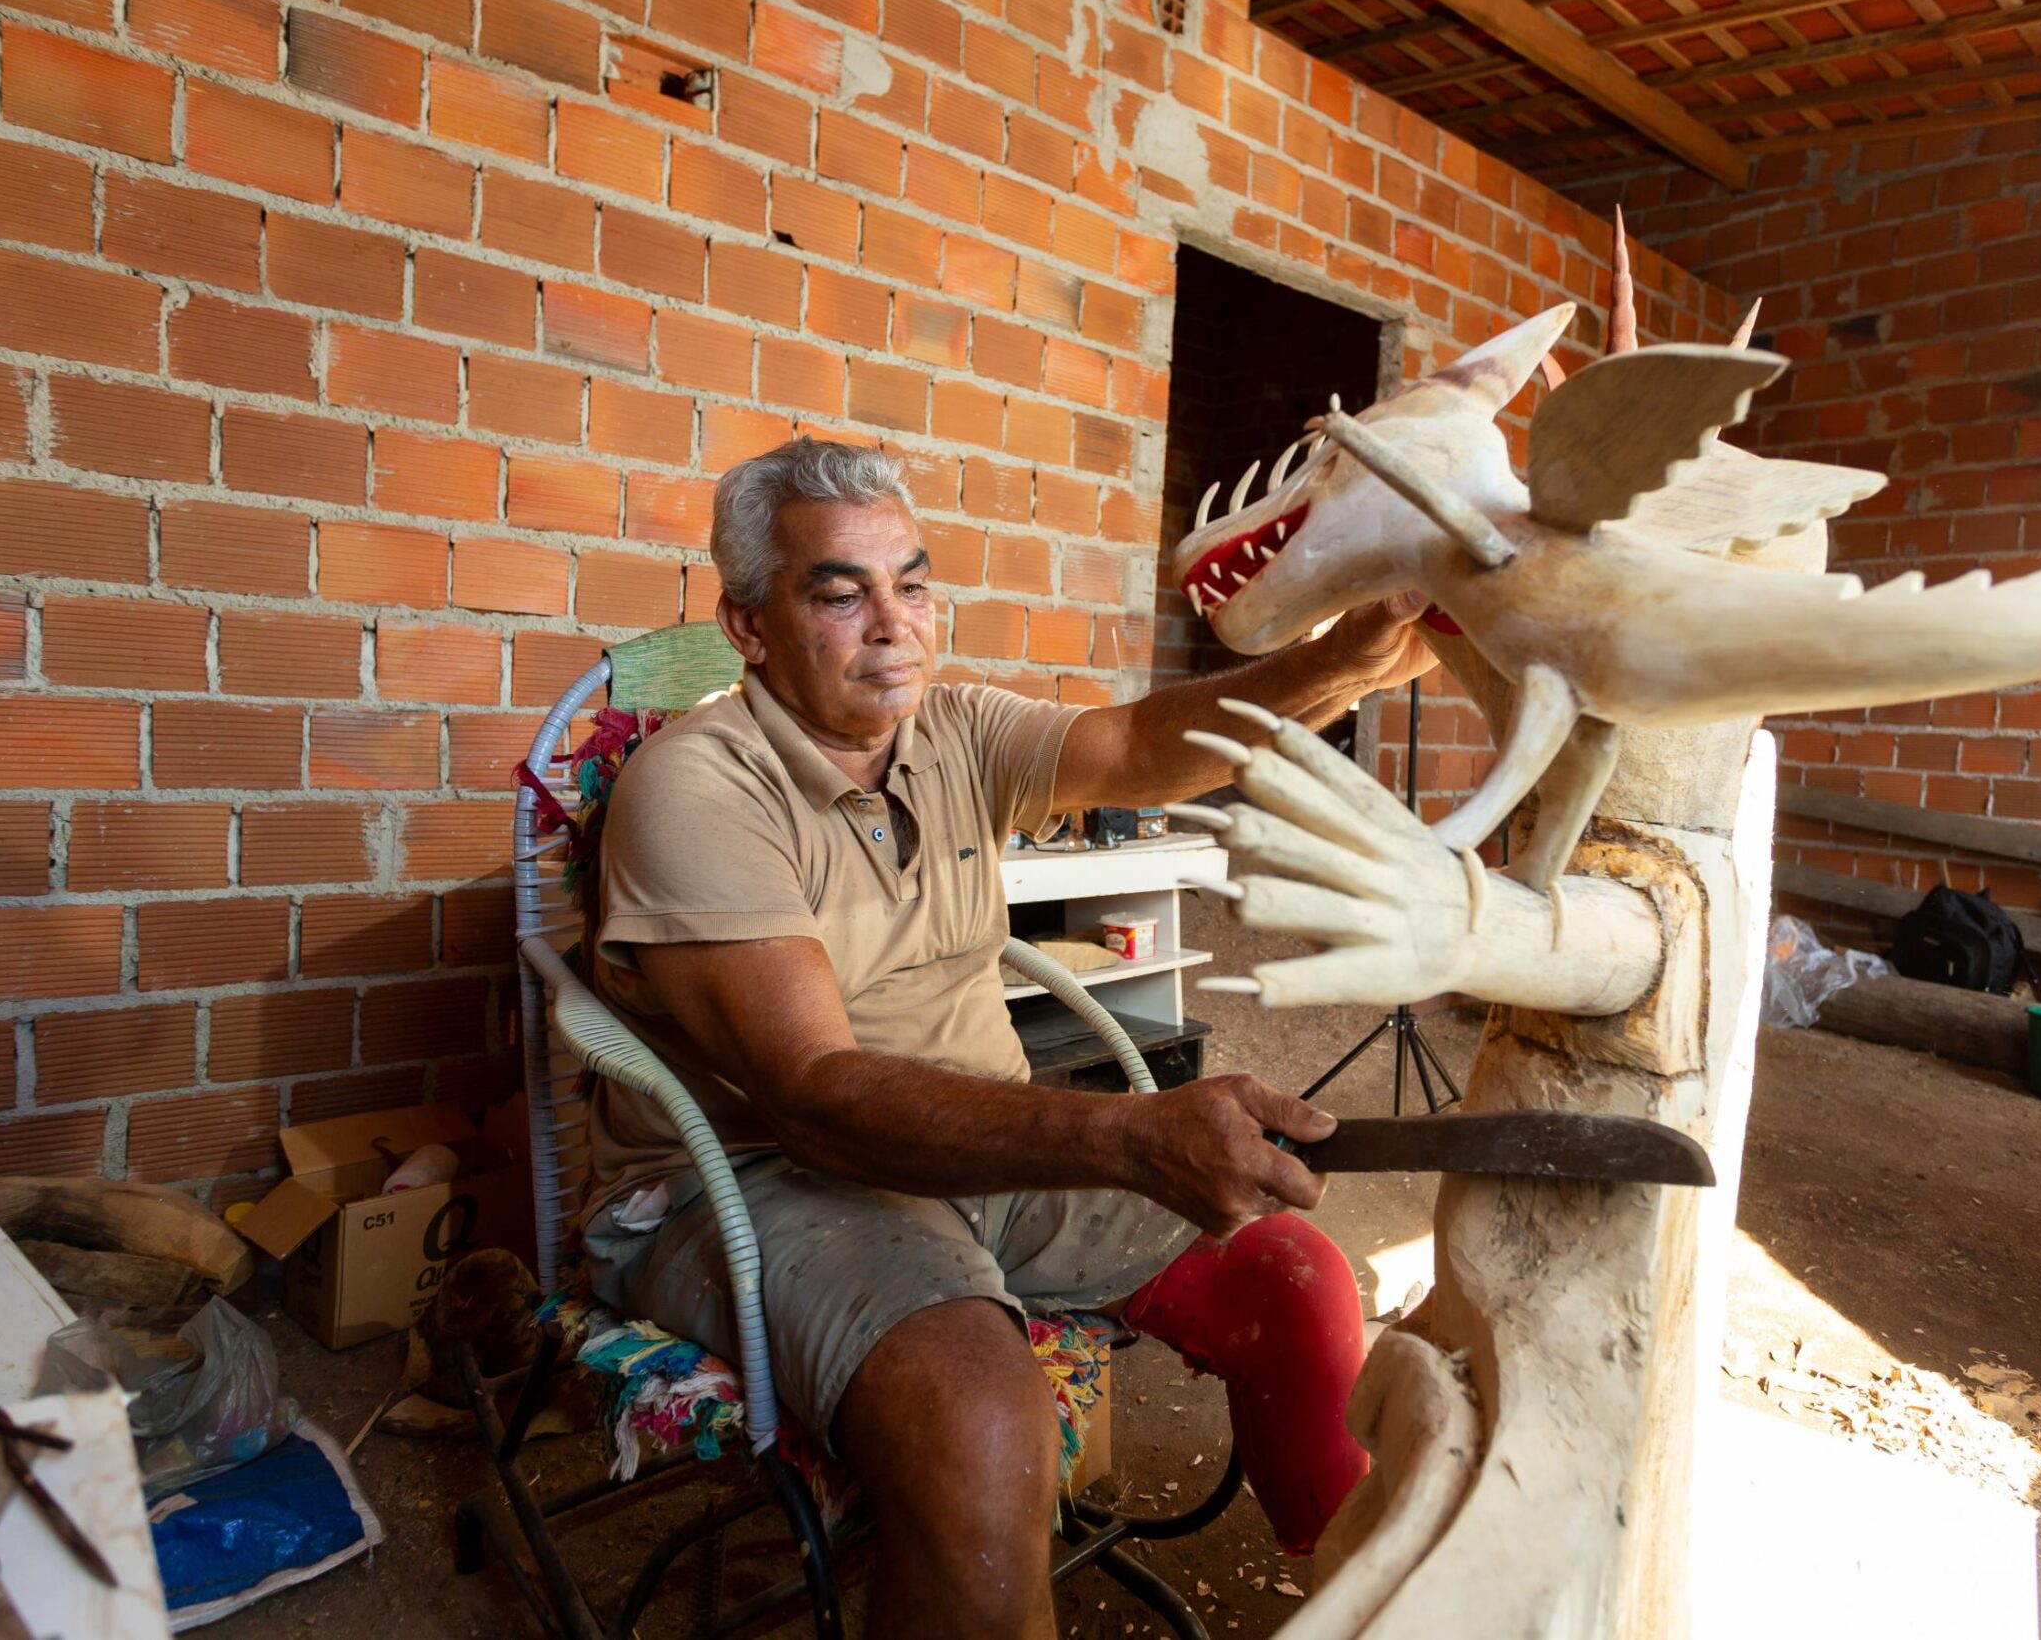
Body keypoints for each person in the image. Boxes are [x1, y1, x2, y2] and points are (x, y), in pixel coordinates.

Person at [581, 437, 1433, 1638]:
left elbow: (1140, 745)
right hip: (748, 1181)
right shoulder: (694, 789)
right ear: (748, 624)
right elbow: (813, 1091)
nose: (895, 625)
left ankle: (1351, 1604)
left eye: (912, 583)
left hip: (973, 1154)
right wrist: (1131, 1137)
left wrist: (1337, 659)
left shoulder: (956, 733)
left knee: (1292, 1273)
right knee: (984, 1424)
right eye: (840, 591)